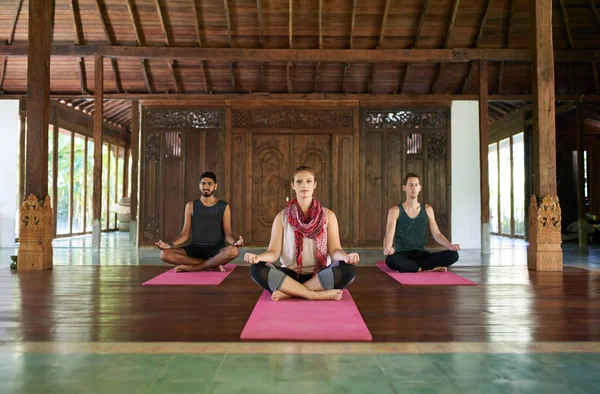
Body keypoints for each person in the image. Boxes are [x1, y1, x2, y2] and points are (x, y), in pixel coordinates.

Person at [244, 166, 359, 301]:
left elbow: (335, 250)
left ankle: (291, 292)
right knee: (256, 269)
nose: (304, 185)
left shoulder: (329, 215)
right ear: (293, 185)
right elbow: (273, 252)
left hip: (320, 275)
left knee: (349, 269)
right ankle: (314, 294)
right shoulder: (281, 217)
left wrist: (346, 257)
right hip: (290, 275)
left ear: (315, 184)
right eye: (299, 181)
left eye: (309, 181)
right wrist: (258, 258)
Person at [156, 171, 243, 272]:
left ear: (215, 186)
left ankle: (196, 267)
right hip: (195, 248)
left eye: (209, 184)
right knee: (164, 254)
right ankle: (212, 264)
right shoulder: (190, 206)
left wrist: (235, 242)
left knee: (234, 251)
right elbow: (184, 234)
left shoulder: (223, 206)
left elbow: (228, 233)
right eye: (203, 184)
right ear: (199, 186)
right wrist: (169, 245)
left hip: (217, 250)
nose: (206, 187)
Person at [383, 173, 459, 272]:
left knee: (453, 255)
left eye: (416, 185)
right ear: (404, 188)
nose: (413, 188)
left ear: (420, 188)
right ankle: (426, 268)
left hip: (422, 254)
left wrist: (450, 246)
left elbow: (437, 234)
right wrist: (388, 248)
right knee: (390, 260)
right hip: (402, 254)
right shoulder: (395, 210)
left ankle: (415, 268)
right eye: (410, 185)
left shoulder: (427, 209)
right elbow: (389, 234)